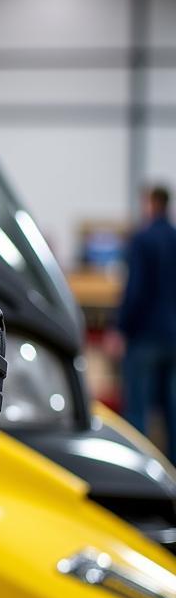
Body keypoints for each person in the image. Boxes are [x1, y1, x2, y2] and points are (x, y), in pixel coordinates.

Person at [116, 185, 176, 461]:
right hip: (172, 337)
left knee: (138, 409)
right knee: (171, 411)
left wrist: (121, 328)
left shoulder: (142, 240)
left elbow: (136, 291)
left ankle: (140, 469)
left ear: (151, 204)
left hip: (145, 337)